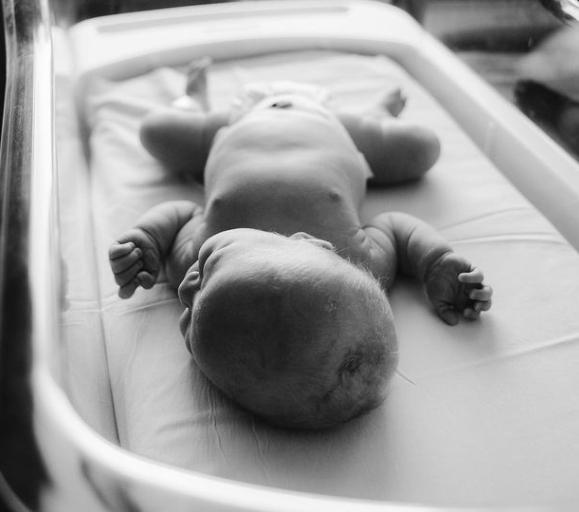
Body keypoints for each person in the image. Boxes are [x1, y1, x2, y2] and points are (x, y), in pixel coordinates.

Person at [109, 59, 492, 429]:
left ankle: (192, 102)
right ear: (312, 243)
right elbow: (396, 228)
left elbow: (179, 212)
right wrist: (435, 260)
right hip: (337, 131)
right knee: (422, 147)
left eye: (188, 321)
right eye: (203, 282)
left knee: (156, 131)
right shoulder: (358, 259)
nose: (187, 287)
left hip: (232, 128)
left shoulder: (193, 258)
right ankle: (375, 117)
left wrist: (148, 239)